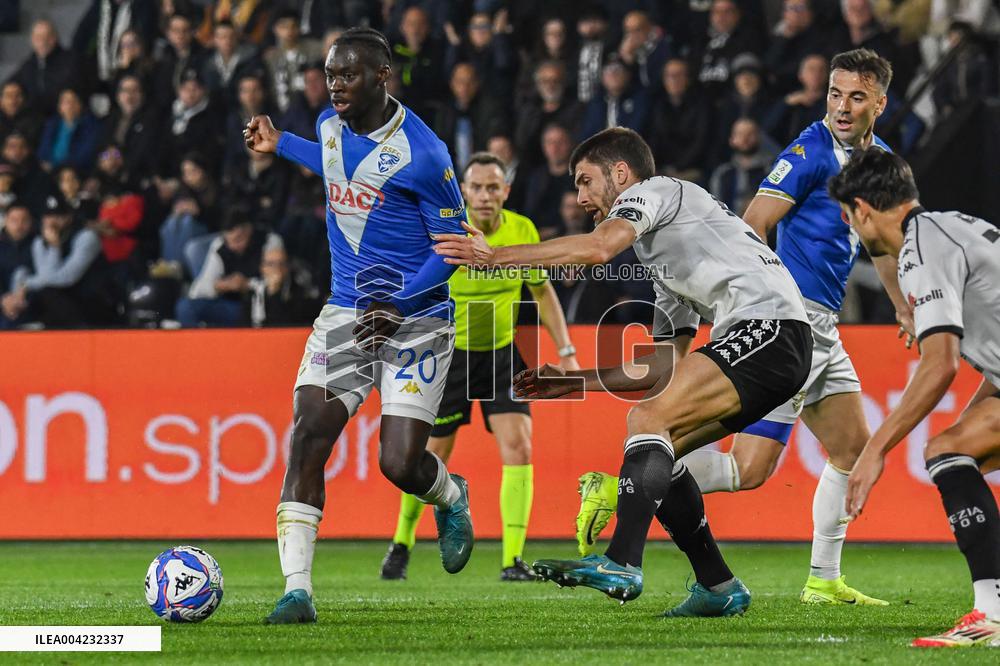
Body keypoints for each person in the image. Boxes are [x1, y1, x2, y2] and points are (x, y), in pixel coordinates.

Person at [434, 126, 812, 616]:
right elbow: (660, 370)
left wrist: (496, 257)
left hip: (771, 328)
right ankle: (718, 585)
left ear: (620, 173)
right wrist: (573, 381)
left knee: (647, 422)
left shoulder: (656, 191)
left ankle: (621, 561)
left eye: (585, 181)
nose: (580, 196)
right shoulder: (666, 259)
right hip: (774, 343)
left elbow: (597, 248)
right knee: (663, 445)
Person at [577, 48, 905, 606]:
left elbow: (881, 244)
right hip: (792, 318)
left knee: (841, 448)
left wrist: (903, 306)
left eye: (855, 96)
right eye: (833, 93)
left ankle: (823, 580)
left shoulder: (883, 163)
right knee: (744, 464)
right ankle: (626, 486)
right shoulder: (808, 151)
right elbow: (752, 226)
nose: (841, 107)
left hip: (823, 327)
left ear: (880, 101)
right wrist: (750, 302)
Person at [243, 27, 473, 624]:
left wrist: (398, 302)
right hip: (347, 310)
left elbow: (453, 248)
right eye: (329, 73)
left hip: (417, 319)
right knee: (308, 432)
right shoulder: (327, 124)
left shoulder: (426, 154)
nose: (335, 84)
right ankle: (297, 591)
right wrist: (278, 142)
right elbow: (326, 156)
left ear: (382, 75)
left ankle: (450, 494)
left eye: (347, 75)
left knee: (399, 464)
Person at [829, 148, 1000, 647]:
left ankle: (991, 614)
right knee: (955, 448)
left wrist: (873, 450)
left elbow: (939, 363)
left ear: (861, 209)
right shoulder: (952, 226)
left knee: (944, 449)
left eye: (848, 217)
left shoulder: (920, 251)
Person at [380, 152, 579, 582]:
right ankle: (402, 543)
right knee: (429, 457)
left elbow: (542, 293)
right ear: (463, 191)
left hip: (502, 355)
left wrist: (566, 351)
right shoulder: (444, 232)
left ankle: (512, 560)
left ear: (505, 191)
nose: (484, 196)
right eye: (476, 187)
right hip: (449, 356)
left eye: (493, 187)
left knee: (520, 447)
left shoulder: (521, 229)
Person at [177, 213, 282, 327]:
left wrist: (247, 284)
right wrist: (222, 285)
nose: (232, 246)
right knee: (185, 306)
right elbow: (197, 291)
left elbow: (277, 280)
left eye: (238, 239)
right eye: (229, 241)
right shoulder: (221, 245)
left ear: (248, 230)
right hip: (234, 307)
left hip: (263, 306)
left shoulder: (269, 241)